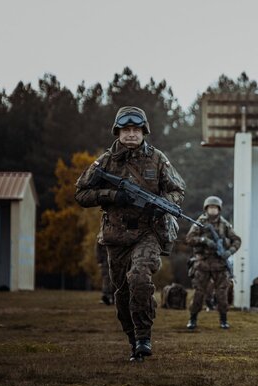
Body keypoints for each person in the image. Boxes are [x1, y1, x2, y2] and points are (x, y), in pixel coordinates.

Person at [75, 106, 186, 362]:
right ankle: (134, 340)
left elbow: (177, 190)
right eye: (126, 130)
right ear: (118, 131)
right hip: (116, 236)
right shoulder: (105, 162)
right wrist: (112, 195)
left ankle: (145, 336)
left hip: (148, 233)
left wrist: (161, 203)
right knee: (122, 293)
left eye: (136, 130)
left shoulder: (157, 158)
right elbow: (81, 193)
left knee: (139, 278)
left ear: (144, 131)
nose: (132, 135)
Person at [186, 196, 241, 329]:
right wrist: (204, 240)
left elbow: (237, 240)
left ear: (219, 209)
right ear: (206, 209)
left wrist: (229, 252)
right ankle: (192, 319)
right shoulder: (200, 223)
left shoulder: (225, 224)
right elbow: (189, 238)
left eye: (215, 208)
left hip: (220, 264)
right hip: (203, 264)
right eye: (210, 207)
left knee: (222, 294)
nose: (212, 210)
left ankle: (223, 320)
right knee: (199, 293)